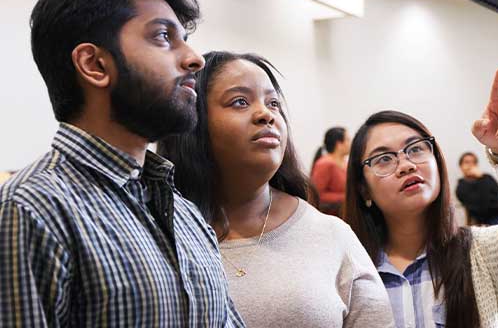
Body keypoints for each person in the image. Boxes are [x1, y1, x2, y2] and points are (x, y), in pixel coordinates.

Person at [0, 0, 244, 327]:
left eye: (186, 41)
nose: (194, 60)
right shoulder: (32, 210)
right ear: (95, 64)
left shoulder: (182, 212)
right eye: (163, 36)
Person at [158, 51, 395, 327]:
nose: (265, 114)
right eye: (240, 101)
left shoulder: (331, 234)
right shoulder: (159, 235)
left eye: (273, 103)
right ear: (193, 122)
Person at [344, 67, 498, 328]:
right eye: (384, 159)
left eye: (415, 149)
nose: (406, 165)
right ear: (363, 188)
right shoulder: (348, 271)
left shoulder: (480, 253)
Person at [456, 151, 498, 225]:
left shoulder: (487, 177)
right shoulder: (461, 187)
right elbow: (482, 207)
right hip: (489, 219)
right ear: (461, 166)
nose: (471, 165)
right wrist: (481, 178)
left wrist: (482, 177)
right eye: (467, 162)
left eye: (474, 162)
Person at [311, 127, 351, 215]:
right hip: (331, 216)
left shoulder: (346, 163)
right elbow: (317, 195)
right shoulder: (324, 164)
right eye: (348, 140)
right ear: (339, 144)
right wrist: (347, 197)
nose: (350, 143)